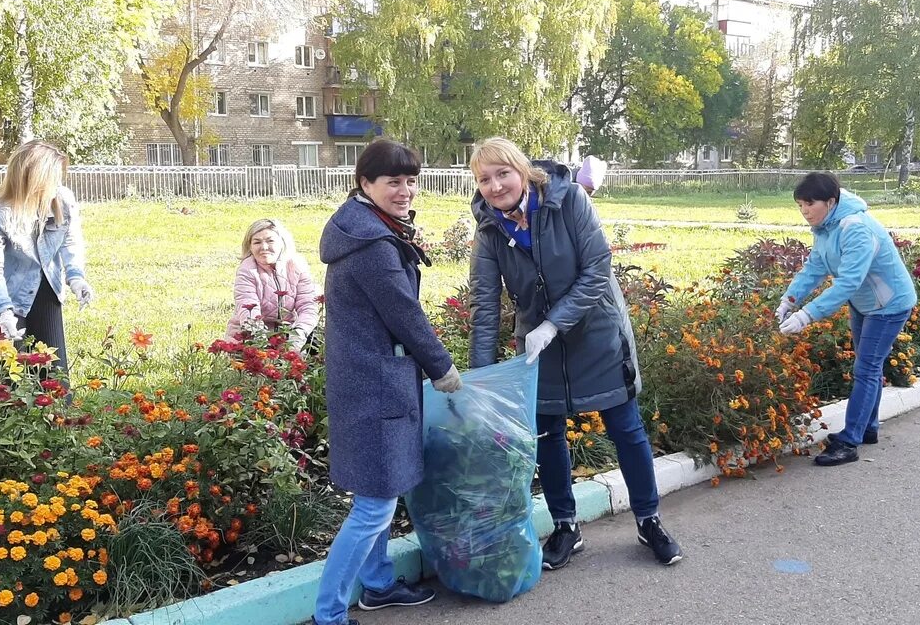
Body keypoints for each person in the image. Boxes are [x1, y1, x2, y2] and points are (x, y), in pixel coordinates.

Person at [467, 136, 682, 569]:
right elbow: (484, 304)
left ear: (523, 171)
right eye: (484, 179)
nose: (494, 186)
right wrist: (480, 382)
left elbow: (598, 268)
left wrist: (553, 323)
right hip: (538, 346)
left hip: (597, 332)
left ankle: (649, 520)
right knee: (548, 435)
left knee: (625, 427)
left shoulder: (568, 202)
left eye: (502, 173)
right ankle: (566, 526)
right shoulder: (490, 229)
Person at [313, 138, 463, 625]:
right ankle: (329, 614)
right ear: (365, 184)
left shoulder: (366, 226)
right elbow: (405, 313)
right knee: (375, 507)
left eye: (411, 181)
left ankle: (376, 586)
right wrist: (442, 367)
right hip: (375, 386)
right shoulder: (371, 244)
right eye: (392, 182)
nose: (404, 191)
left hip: (369, 379)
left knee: (377, 492)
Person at [777, 172, 918, 466]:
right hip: (865, 303)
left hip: (889, 305)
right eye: (800, 204)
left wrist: (806, 316)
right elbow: (815, 267)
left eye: (809, 203)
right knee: (870, 365)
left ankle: (850, 441)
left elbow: (848, 282)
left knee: (865, 368)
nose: (804, 211)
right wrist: (789, 300)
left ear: (830, 201)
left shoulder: (855, 228)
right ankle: (869, 428)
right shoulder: (826, 227)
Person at [0, 139, 92, 373]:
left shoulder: (63, 200)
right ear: (34, 180)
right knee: (12, 376)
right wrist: (3, 312)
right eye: (53, 179)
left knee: (54, 374)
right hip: (6, 294)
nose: (57, 185)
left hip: (47, 287)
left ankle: (58, 412)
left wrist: (76, 277)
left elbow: (70, 241)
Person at [225, 218, 319, 353]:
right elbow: (248, 310)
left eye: (270, 241)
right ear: (250, 247)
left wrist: (297, 337)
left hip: (289, 333)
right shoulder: (247, 270)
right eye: (257, 242)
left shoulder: (297, 265)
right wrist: (263, 345)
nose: (264, 247)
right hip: (252, 335)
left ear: (282, 243)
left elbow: (308, 307)